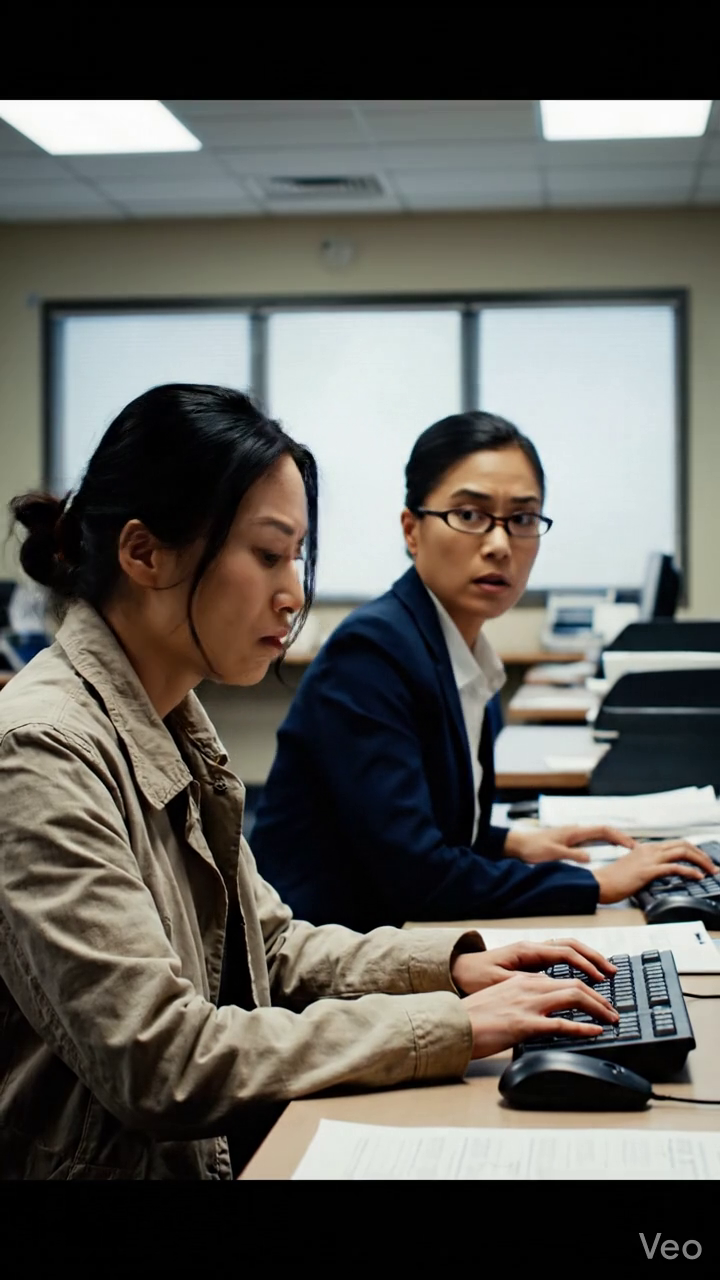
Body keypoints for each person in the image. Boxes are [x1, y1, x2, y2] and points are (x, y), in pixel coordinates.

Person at [0, 384, 629, 1181]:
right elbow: (162, 1061)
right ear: (144, 552)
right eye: (268, 555)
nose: (294, 593)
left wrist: (457, 966)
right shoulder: (41, 750)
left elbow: (273, 947)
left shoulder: (172, 718)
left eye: (296, 556)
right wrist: (454, 1026)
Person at [251, 411, 713, 931]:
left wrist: (514, 842)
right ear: (412, 530)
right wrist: (595, 884)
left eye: (522, 519)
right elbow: (417, 875)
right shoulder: (371, 654)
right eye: (469, 514)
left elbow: (425, 827)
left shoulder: (460, 652)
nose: (499, 544)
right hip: (316, 956)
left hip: (391, 936)